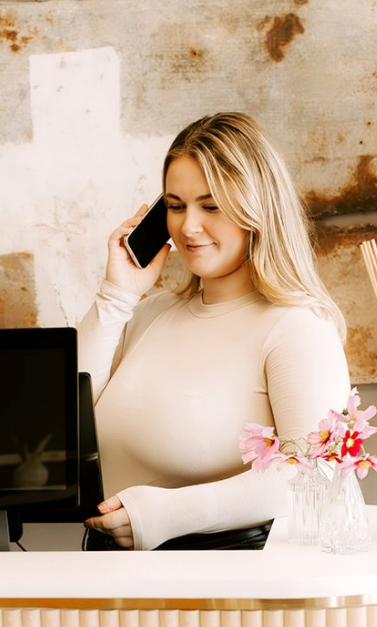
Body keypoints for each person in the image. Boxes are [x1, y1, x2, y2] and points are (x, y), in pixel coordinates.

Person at [78, 112, 351, 551]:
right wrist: (116, 295)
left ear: (255, 209)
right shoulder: (148, 315)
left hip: (221, 584)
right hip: (109, 576)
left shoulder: (296, 327)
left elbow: (314, 471)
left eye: (211, 206)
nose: (188, 226)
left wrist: (165, 514)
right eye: (174, 205)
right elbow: (64, 415)